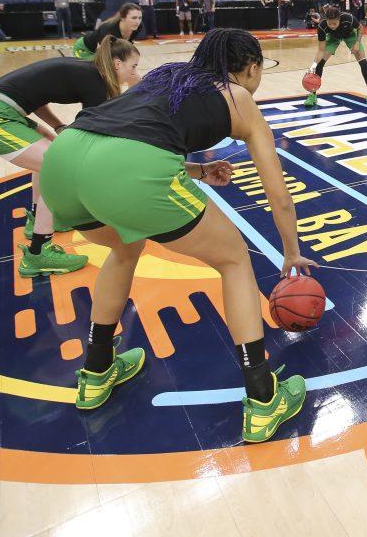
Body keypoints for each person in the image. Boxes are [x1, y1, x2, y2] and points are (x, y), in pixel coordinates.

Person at [38, 29, 318, 443]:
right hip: (125, 169)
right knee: (234, 259)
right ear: (253, 68)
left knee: (124, 247)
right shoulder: (239, 97)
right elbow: (278, 195)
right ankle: (263, 399)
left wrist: (199, 172)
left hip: (62, 162)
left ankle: (97, 372)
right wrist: (291, 252)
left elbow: (123, 136)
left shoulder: (165, 75)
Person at [0, 37, 140, 277]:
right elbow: (91, 135)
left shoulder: (87, 70)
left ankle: (37, 219)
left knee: (52, 156)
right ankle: (37, 253)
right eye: (134, 66)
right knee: (58, 168)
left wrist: (57, 126)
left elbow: (36, 97)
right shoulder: (96, 82)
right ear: (117, 64)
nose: (136, 72)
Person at [303, 6, 367, 108]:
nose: (332, 26)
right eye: (329, 23)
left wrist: (357, 42)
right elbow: (321, 50)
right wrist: (313, 65)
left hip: (350, 35)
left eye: (335, 23)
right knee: (320, 63)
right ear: (325, 20)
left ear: (339, 19)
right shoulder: (322, 26)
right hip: (333, 38)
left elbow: (360, 28)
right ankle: (312, 95)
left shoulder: (348, 18)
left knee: (363, 61)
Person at [73, 3, 141, 60]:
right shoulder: (108, 29)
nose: (138, 21)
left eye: (140, 18)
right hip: (83, 49)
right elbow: (103, 55)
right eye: (134, 18)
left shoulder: (138, 27)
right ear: (122, 17)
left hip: (102, 50)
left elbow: (127, 47)